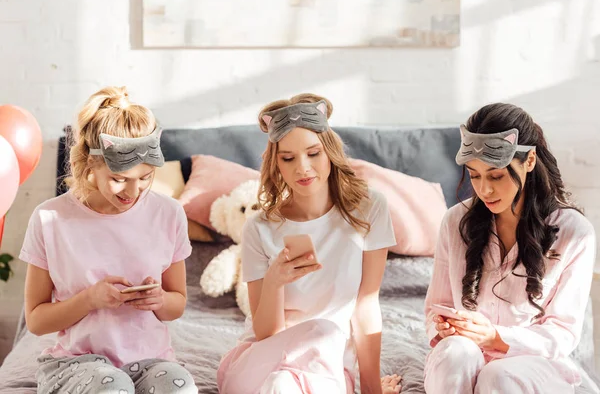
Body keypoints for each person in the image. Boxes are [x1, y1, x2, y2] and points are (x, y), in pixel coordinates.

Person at [217, 93, 402, 394]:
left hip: (326, 368)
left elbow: (366, 304)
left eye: (313, 153)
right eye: (288, 158)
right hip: (260, 362)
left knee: (288, 379)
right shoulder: (259, 227)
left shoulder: (369, 209)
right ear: (276, 164)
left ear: (330, 151)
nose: (302, 168)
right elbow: (266, 334)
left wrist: (372, 389)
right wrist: (275, 283)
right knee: (295, 361)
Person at [21, 86, 197, 394]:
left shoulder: (169, 214)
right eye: (119, 180)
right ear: (91, 164)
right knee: (112, 385)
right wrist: (88, 300)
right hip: (77, 364)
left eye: (145, 178)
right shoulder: (49, 219)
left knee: (179, 385)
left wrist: (159, 300)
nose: (133, 192)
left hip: (150, 361)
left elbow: (176, 304)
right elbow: (36, 321)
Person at [424, 103, 596, 393]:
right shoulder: (455, 222)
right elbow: (436, 306)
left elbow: (563, 332)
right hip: (463, 354)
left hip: (533, 365)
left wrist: (495, 337)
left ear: (529, 161)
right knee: (456, 353)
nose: (484, 190)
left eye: (496, 175)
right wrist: (443, 327)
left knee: (498, 376)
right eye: (474, 175)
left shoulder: (574, 234)